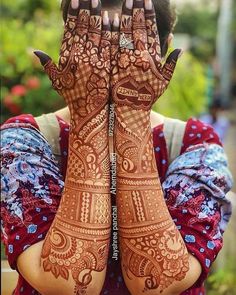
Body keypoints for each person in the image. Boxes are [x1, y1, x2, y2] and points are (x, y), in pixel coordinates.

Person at [1, 0, 233, 294]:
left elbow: (158, 285)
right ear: (71, 48)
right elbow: (70, 285)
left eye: (126, 50)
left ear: (165, 50)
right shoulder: (23, 139)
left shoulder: (195, 144)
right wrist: (89, 117)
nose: (111, 68)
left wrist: (132, 116)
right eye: (97, 47)